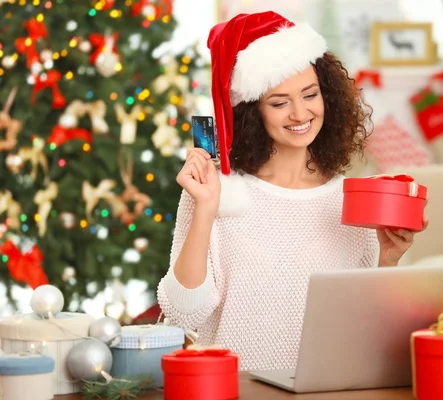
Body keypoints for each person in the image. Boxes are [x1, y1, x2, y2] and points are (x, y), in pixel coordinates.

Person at [157, 11, 428, 371]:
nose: (300, 113)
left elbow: (366, 325)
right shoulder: (215, 191)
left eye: (310, 94)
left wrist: (389, 259)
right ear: (253, 112)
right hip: (237, 389)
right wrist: (206, 208)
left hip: (328, 388)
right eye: (280, 102)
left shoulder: (349, 199)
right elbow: (181, 314)